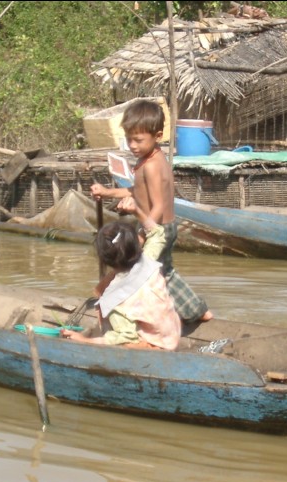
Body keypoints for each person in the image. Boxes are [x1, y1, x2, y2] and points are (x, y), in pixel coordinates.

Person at [90, 99, 212, 323]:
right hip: (154, 225)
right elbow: (136, 190)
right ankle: (194, 310)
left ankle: (195, 311)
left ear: (157, 136)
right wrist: (107, 192)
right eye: (129, 139)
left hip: (157, 227)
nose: (132, 145)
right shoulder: (148, 160)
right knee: (160, 272)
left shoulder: (153, 166)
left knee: (145, 271)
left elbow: (158, 206)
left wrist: (142, 235)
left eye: (138, 140)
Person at [60, 208, 180, 350]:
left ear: (104, 259)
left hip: (156, 346)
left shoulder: (115, 299)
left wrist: (84, 340)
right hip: (172, 333)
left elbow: (124, 337)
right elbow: (157, 233)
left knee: (119, 333)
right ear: (137, 245)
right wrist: (137, 211)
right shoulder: (147, 260)